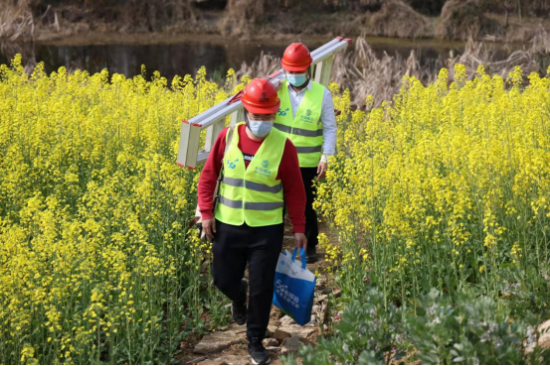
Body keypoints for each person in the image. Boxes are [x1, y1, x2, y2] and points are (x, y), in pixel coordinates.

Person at [198, 78, 307, 365]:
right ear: (246, 112)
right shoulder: (227, 137)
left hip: (266, 230)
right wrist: (206, 212)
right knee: (222, 279)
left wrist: (299, 228)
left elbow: (295, 190)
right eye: (257, 116)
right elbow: (208, 176)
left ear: (275, 114)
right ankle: (237, 294)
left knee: (262, 286)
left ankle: (255, 340)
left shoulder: (284, 146)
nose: (262, 121)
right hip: (228, 225)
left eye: (268, 116)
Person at [274, 42, 337, 263]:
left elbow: (330, 128)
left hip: (307, 162)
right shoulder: (276, 90)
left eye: (298, 71)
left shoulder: (322, 94)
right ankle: (273, 245)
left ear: (307, 69)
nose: (294, 75)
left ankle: (310, 246)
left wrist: (326, 157)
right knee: (275, 205)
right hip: (277, 160)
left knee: (307, 204)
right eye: (289, 71)